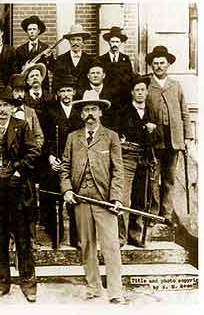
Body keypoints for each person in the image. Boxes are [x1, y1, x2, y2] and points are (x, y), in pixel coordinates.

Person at [60, 90, 125, 304]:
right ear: (81, 114)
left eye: (94, 109)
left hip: (105, 201)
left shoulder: (111, 137)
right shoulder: (72, 137)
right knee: (86, 245)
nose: (90, 114)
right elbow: (65, 168)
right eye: (86, 109)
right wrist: (67, 190)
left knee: (111, 246)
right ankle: (93, 287)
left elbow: (118, 170)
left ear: (100, 113)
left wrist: (116, 198)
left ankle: (115, 291)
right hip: (81, 201)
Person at [0, 86, 39, 302]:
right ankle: (2, 281)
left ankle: (28, 284)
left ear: (13, 108)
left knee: (23, 239)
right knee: (0, 239)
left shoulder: (22, 127)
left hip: (18, 189)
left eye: (6, 105)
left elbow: (34, 151)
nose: (2, 110)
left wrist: (17, 169)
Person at [145, 45, 192, 225]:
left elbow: (184, 112)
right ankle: (153, 213)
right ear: (151, 66)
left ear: (168, 65)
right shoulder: (147, 85)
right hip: (156, 140)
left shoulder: (176, 85)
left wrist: (187, 137)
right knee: (153, 177)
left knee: (169, 178)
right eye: (155, 63)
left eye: (162, 63)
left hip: (174, 139)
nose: (158, 66)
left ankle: (167, 213)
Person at [115, 75, 160, 248]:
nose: (140, 93)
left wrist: (152, 132)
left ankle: (135, 234)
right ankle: (121, 236)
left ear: (147, 92)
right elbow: (117, 134)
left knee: (140, 198)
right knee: (123, 197)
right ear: (132, 93)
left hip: (145, 159)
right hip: (127, 157)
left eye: (143, 90)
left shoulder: (151, 111)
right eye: (137, 90)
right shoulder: (124, 111)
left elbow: (159, 137)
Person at [38, 74, 82, 248]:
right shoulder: (50, 110)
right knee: (51, 197)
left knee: (74, 198)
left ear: (74, 92)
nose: (66, 94)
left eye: (69, 91)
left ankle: (75, 237)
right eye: (62, 91)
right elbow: (44, 136)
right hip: (54, 161)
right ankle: (54, 235)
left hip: (74, 161)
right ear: (57, 93)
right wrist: (49, 156)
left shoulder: (80, 111)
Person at [9, 74, 44, 247]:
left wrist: (31, 153)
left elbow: (39, 137)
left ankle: (31, 238)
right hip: (11, 165)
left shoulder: (31, 113)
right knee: (11, 202)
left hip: (28, 164)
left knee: (29, 202)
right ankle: (13, 239)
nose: (19, 95)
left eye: (22, 91)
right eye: (16, 91)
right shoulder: (6, 112)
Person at [15, 15, 54, 93]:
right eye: (29, 29)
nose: (32, 31)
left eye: (34, 29)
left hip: (42, 86)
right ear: (27, 31)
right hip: (26, 86)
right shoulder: (20, 50)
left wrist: (48, 59)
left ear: (38, 31)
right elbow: (15, 69)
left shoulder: (45, 48)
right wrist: (23, 68)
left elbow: (52, 68)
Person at [98, 26, 134, 105]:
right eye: (112, 41)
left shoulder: (126, 59)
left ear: (121, 43)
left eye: (117, 42)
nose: (115, 44)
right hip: (107, 96)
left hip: (122, 97)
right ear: (108, 42)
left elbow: (130, 77)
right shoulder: (101, 59)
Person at [53, 24, 93, 92]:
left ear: (83, 42)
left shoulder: (90, 60)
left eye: (78, 40)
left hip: (84, 97)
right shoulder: (61, 59)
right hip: (67, 97)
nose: (75, 43)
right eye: (73, 40)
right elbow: (56, 82)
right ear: (69, 42)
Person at [82, 59, 117, 129]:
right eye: (93, 73)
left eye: (98, 73)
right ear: (88, 76)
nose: (95, 75)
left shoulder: (113, 93)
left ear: (103, 75)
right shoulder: (82, 92)